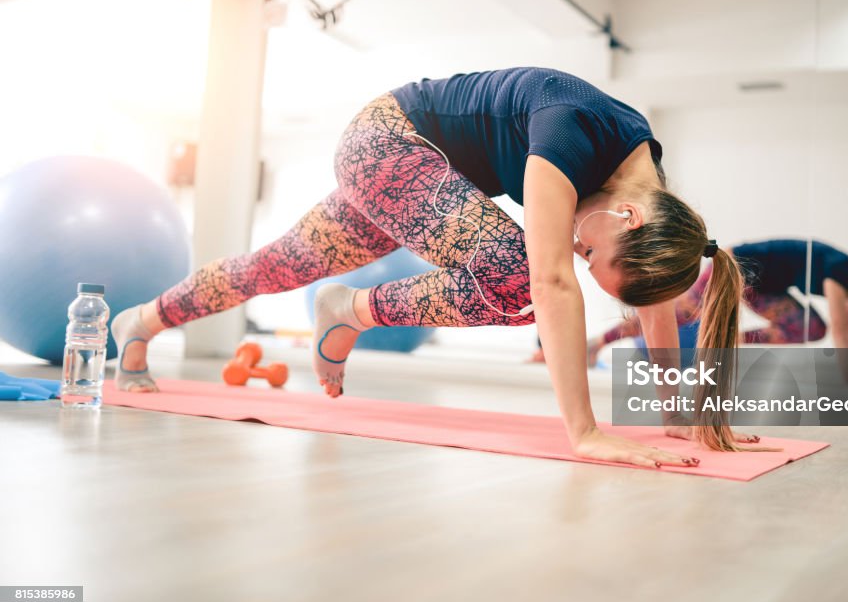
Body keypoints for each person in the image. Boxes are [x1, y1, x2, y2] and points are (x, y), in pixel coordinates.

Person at [110, 67, 762, 465]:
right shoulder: (571, 135)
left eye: (584, 255)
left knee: (273, 267)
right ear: (628, 218)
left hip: (417, 172)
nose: (576, 250)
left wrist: (677, 409)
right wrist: (585, 431)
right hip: (387, 143)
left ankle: (141, 321)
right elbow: (551, 281)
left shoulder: (643, 199)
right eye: (590, 251)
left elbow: (652, 303)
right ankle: (348, 309)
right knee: (521, 279)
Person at [578, 238, 848, 382]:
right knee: (682, 313)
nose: (840, 313)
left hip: (765, 285)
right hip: (736, 264)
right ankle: (598, 343)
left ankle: (723, 339)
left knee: (812, 329)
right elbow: (844, 334)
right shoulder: (841, 272)